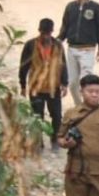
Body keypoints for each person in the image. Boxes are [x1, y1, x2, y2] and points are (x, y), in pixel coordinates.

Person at [18, 18, 68, 153]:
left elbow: (63, 65)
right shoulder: (30, 45)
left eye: (48, 33)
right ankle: (38, 143)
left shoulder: (58, 45)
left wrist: (65, 83)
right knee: (37, 117)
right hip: (36, 88)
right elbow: (24, 66)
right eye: (43, 33)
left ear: (52, 32)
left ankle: (55, 141)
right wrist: (22, 85)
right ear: (39, 31)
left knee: (57, 116)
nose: (46, 36)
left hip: (53, 87)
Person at [58, 0, 99, 105]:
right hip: (72, 49)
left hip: (87, 50)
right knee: (72, 83)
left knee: (86, 81)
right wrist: (58, 40)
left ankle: (88, 107)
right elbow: (65, 26)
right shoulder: (70, 7)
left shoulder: (95, 7)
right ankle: (80, 106)